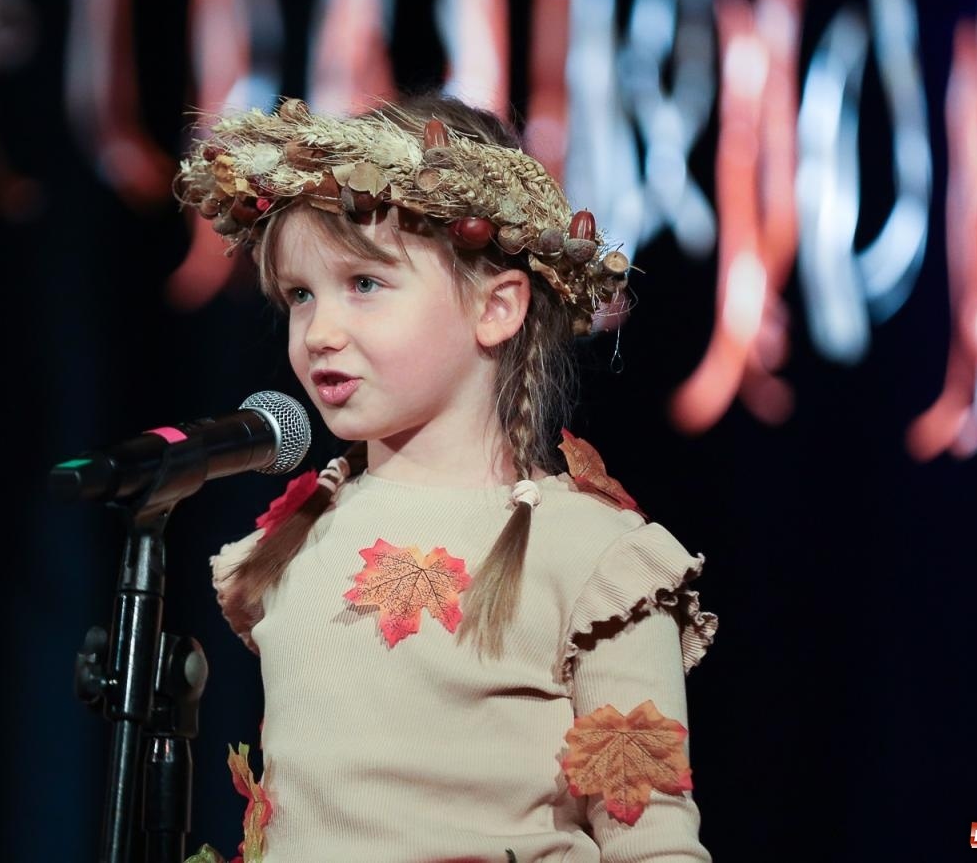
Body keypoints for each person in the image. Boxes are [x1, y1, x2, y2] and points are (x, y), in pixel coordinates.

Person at [174, 94, 718, 861]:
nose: (320, 332)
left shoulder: (593, 557)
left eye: (364, 284)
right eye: (300, 295)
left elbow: (654, 842)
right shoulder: (301, 533)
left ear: (497, 308)